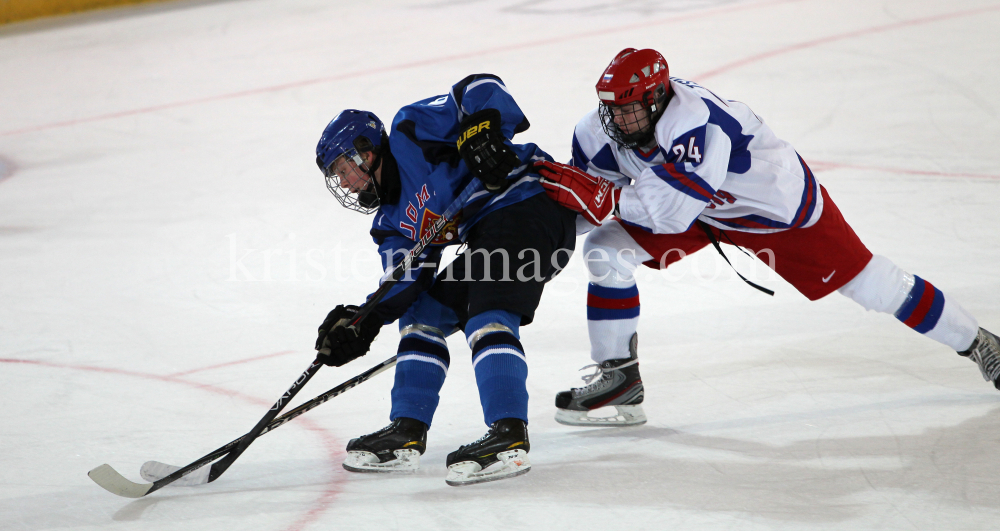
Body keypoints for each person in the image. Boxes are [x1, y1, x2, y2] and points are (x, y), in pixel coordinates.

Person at [534, 48, 1000, 427]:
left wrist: (606, 200)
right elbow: (583, 200)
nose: (618, 121)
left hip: (771, 211)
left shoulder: (698, 123)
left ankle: (979, 342)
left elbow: (670, 215)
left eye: (629, 110)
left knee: (873, 286)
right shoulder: (597, 133)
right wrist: (532, 228)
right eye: (611, 108)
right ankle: (619, 377)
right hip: (698, 208)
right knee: (605, 251)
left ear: (656, 99)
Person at [313, 74, 576, 485]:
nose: (345, 182)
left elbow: (480, 86)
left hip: (528, 205)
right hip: (488, 234)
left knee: (486, 313)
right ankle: (406, 431)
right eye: (338, 176)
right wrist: (363, 320)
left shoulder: (408, 132)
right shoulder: (390, 223)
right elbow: (404, 280)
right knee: (423, 313)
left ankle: (509, 435)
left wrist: (482, 128)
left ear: (367, 150)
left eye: (345, 168)